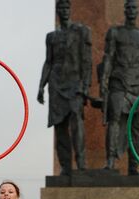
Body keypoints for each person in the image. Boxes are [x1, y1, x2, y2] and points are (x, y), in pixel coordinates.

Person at [37, 0, 92, 175]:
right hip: (55, 83)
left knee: (77, 120)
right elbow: (48, 61)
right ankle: (65, 166)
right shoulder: (51, 36)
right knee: (59, 126)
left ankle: (81, 162)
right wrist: (41, 86)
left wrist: (85, 86)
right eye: (61, 8)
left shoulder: (80, 32)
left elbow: (86, 60)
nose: (64, 11)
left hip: (75, 83)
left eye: (67, 8)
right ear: (57, 11)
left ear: (70, 10)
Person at [100, 0, 139, 175]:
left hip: (137, 87)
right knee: (114, 121)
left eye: (134, 8)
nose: (131, 11)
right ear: (125, 11)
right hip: (118, 83)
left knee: (135, 128)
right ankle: (110, 162)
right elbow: (108, 57)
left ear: (137, 11)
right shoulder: (115, 32)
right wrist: (104, 80)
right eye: (128, 8)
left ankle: (133, 167)